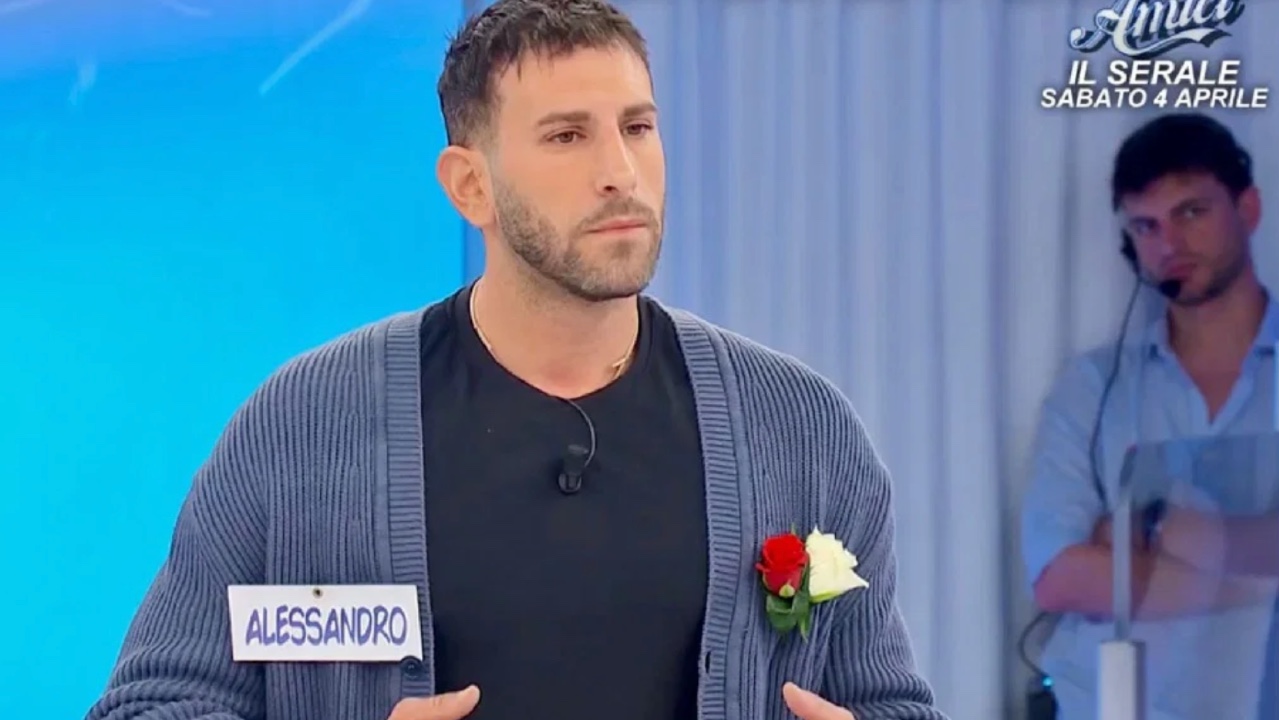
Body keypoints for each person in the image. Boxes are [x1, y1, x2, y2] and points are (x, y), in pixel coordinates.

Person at [84, 2, 945, 719]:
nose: (620, 172)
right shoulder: (303, 429)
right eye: (567, 137)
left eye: (637, 128)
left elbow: (889, 702)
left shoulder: (799, 430)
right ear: (470, 186)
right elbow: (153, 705)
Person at [1021, 112, 1279, 718]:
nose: (1169, 243)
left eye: (1191, 212)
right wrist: (1258, 583)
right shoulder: (1093, 388)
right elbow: (1060, 576)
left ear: (1247, 209)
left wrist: (1156, 528)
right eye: (1146, 225)